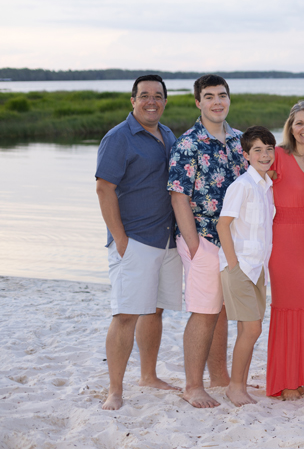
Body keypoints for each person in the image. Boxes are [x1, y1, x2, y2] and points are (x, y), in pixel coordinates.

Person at [95, 75, 182, 410]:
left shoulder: (168, 134)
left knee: (154, 309)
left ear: (165, 101)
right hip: (134, 240)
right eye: (144, 95)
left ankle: (148, 375)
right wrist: (120, 239)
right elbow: (104, 188)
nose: (151, 101)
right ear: (133, 100)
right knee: (126, 314)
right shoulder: (118, 137)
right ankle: (114, 390)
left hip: (166, 238)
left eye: (158, 96)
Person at [168, 74, 247, 408]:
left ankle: (219, 377)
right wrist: (195, 246)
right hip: (202, 238)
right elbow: (178, 197)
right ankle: (192, 386)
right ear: (198, 102)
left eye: (222, 95)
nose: (217, 102)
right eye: (210, 96)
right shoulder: (188, 143)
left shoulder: (241, 140)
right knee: (203, 312)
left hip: (234, 242)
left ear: (229, 99)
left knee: (221, 309)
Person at [266, 101, 304, 400]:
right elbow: (252, 188)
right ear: (290, 127)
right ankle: (287, 381)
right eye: (299, 123)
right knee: (289, 307)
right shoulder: (277, 156)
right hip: (284, 241)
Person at [217, 126, 275, 406]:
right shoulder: (241, 185)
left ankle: (240, 382)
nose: (264, 155)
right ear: (246, 155)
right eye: (257, 150)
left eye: (269, 149)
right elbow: (223, 225)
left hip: (258, 268)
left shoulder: (267, 187)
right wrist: (233, 265)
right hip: (240, 266)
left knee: (248, 330)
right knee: (252, 330)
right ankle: (235, 387)